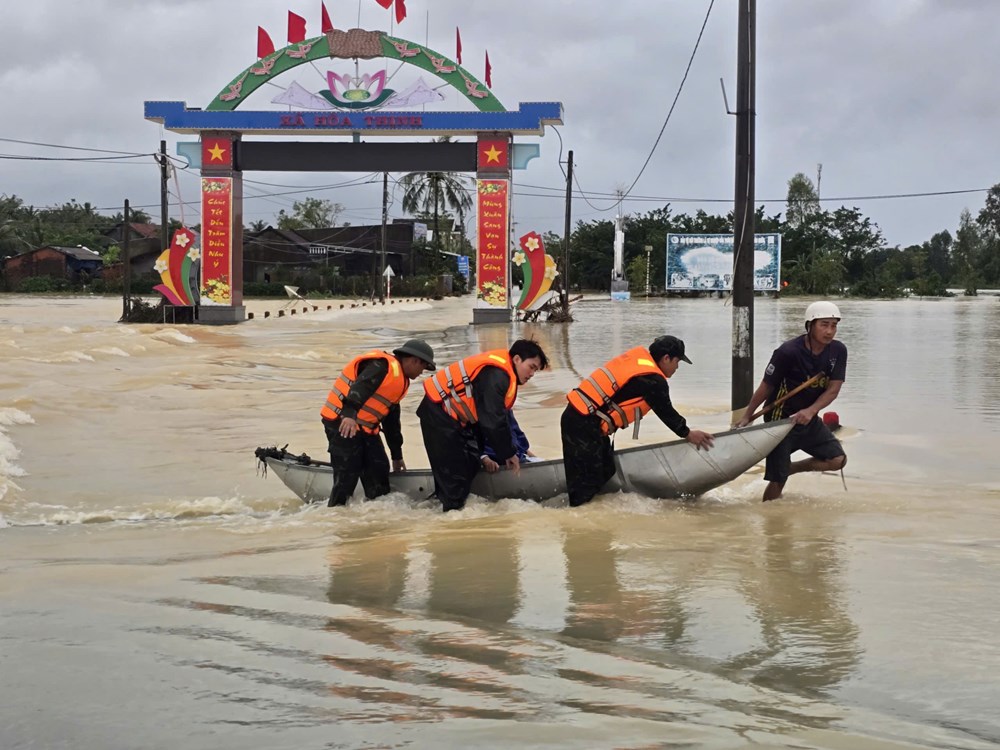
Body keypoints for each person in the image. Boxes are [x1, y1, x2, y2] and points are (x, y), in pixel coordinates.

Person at [561, 335, 715, 507]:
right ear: (666, 358)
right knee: (586, 484)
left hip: (583, 419)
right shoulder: (653, 380)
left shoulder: (641, 366)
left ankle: (593, 511)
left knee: (606, 470)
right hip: (582, 423)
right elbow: (666, 412)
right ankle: (577, 515)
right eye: (677, 361)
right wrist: (688, 434)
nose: (677, 367)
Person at [417, 339, 549, 511]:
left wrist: (494, 453)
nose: (532, 374)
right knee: (455, 477)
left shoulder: (503, 374)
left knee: (471, 462)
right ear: (517, 359)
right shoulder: (497, 375)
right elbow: (492, 421)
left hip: (458, 420)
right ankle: (451, 514)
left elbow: (491, 420)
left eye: (535, 370)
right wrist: (508, 453)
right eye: (531, 367)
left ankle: (443, 503)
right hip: (438, 414)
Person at [736, 301, 847, 501]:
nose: (830, 331)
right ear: (810, 325)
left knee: (838, 459)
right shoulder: (787, 352)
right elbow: (766, 386)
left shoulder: (838, 351)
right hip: (780, 421)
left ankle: (791, 468)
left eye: (833, 325)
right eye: (824, 325)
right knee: (778, 480)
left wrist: (811, 411)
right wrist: (747, 416)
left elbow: (833, 389)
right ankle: (769, 515)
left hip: (808, 418)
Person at [320, 339, 436, 507]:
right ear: (414, 360)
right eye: (423, 367)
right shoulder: (381, 366)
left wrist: (397, 456)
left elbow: (391, 421)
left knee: (379, 469)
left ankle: (375, 515)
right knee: (347, 475)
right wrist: (349, 415)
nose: (421, 372)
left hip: (366, 429)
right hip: (343, 423)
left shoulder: (400, 382)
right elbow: (360, 388)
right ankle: (336, 512)